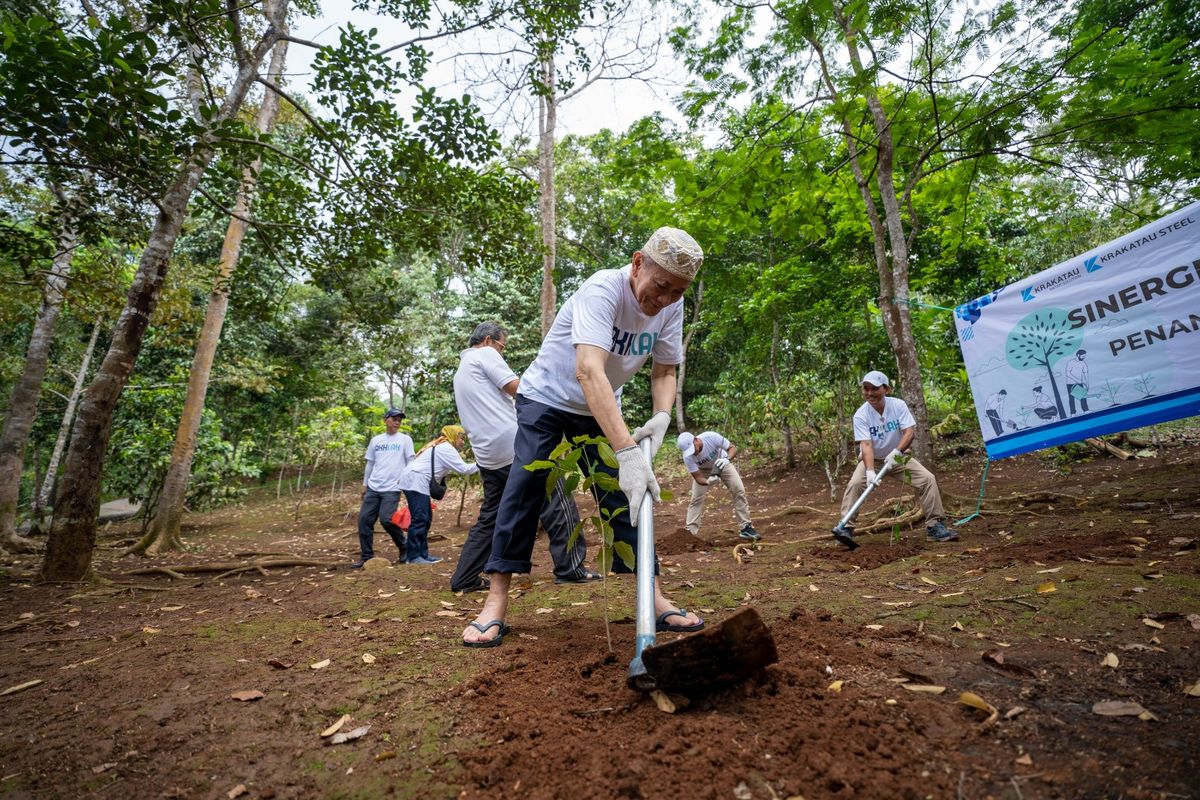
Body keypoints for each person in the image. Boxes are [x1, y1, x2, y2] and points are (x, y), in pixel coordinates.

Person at [461, 226, 706, 647]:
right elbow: (588, 369)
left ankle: (653, 596)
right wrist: (627, 449)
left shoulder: (670, 307)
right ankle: (495, 603)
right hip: (546, 399)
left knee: (626, 494)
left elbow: (665, 370)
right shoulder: (603, 290)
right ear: (637, 263)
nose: (665, 299)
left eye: (678, 292)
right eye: (661, 286)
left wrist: (663, 416)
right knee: (524, 486)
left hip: (598, 404)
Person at [449, 321, 599, 593]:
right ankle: (571, 568)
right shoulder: (485, 354)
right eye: (502, 346)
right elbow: (518, 388)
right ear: (488, 340)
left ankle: (465, 577)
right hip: (515, 446)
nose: (502, 352)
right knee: (557, 499)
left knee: (492, 516)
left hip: (488, 456)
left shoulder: (461, 371)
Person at [836, 370, 958, 547]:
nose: (869, 393)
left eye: (874, 388)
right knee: (855, 484)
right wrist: (870, 471)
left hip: (898, 457)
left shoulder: (898, 405)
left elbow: (909, 432)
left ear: (886, 389)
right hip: (874, 460)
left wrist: (897, 452)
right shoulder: (861, 415)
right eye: (866, 389)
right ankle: (845, 528)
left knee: (927, 479)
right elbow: (867, 445)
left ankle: (935, 527)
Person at [397, 425, 479, 564]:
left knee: (425, 518)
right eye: (461, 438)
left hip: (415, 480)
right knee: (420, 519)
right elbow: (464, 469)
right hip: (415, 480)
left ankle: (423, 554)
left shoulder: (441, 446)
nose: (463, 442)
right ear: (453, 436)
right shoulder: (446, 448)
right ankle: (413, 557)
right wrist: (485, 463)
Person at [352, 408, 414, 568]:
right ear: (386, 420)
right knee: (364, 521)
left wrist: (409, 484)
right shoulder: (376, 440)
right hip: (373, 487)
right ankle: (366, 556)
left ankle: (404, 546)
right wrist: (365, 485)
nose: (397, 422)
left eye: (399, 420)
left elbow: (410, 462)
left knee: (387, 519)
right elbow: (370, 464)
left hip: (392, 488)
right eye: (394, 419)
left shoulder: (405, 440)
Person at [676, 431, 760, 541]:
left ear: (696, 440)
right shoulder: (688, 457)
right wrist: (708, 482)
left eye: (693, 449)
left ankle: (746, 527)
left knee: (738, 490)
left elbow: (732, 448)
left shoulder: (711, 437)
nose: (693, 453)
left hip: (723, 464)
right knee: (696, 498)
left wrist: (726, 459)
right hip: (703, 470)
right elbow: (697, 477)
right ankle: (690, 532)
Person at [1064, 350, 1089, 415]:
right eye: (1083, 356)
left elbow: (1086, 373)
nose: (1084, 357)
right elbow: (1068, 373)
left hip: (1080, 383)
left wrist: (1087, 383)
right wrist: (1077, 380)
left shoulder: (1083, 363)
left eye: (1084, 356)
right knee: (1071, 398)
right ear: (1078, 355)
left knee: (1082, 396)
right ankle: (1073, 413)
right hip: (1070, 383)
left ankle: (1085, 410)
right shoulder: (1070, 362)